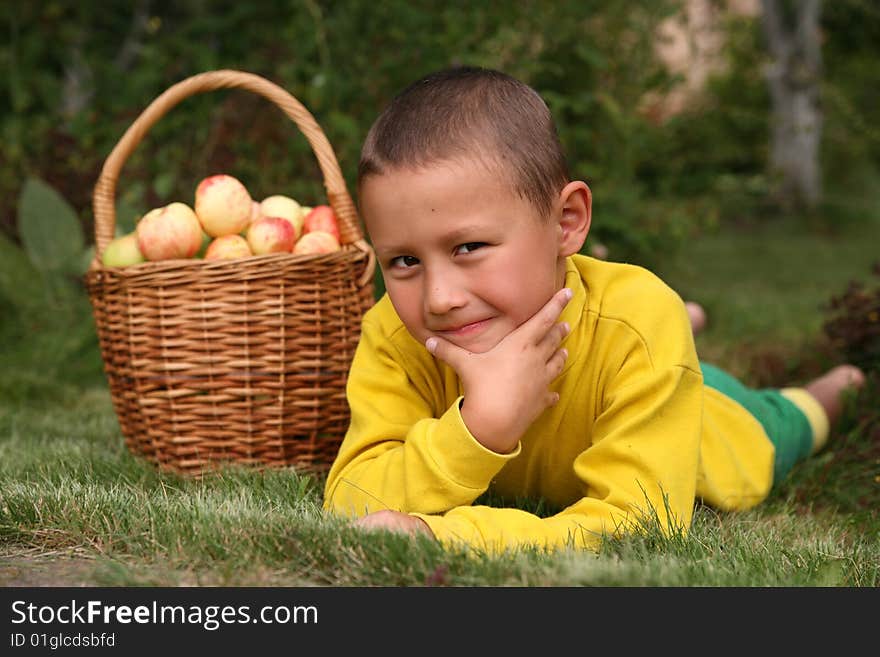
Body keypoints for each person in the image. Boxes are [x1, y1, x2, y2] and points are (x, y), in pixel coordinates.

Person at [322, 66, 865, 553]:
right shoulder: (394, 334)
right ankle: (685, 329)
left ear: (566, 222)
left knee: (777, 423)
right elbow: (349, 496)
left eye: (468, 248)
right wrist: (474, 431)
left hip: (711, 426)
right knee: (645, 335)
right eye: (405, 261)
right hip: (633, 356)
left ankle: (830, 389)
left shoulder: (640, 327)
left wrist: (447, 534)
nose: (440, 298)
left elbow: (634, 524)